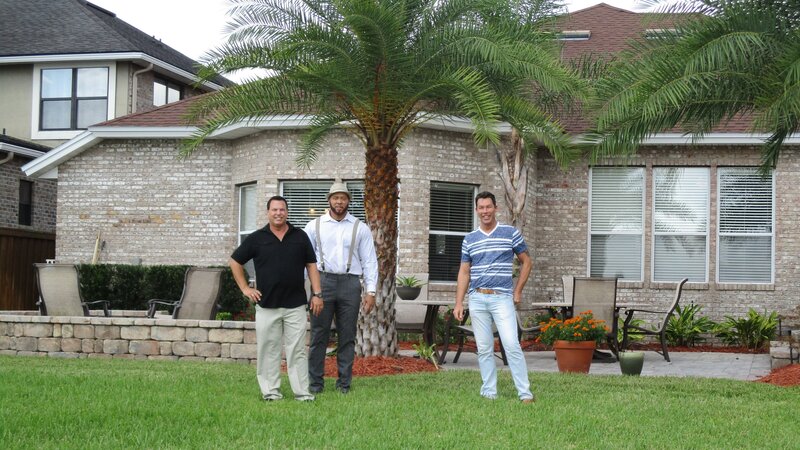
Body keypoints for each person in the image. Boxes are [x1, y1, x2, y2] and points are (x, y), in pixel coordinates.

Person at [229, 195, 323, 402]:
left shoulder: (300, 236)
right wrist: (245, 288)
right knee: (268, 350)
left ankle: (303, 393)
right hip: (267, 306)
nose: (278, 213)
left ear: (287, 212)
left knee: (297, 351)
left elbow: (312, 266)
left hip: (296, 306)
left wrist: (317, 294)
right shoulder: (257, 238)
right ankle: (271, 392)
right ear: (268, 212)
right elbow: (235, 261)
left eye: (282, 209)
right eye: (274, 210)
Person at [454, 191, 535, 403]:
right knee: (484, 348)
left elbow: (527, 262)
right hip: (477, 299)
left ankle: (525, 393)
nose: (485, 211)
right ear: (476, 210)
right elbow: (464, 272)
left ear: (495, 208)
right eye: (481, 208)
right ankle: (489, 392)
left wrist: (517, 291)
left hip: (502, 298)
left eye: (488, 207)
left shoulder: (510, 233)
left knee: (511, 344)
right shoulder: (470, 239)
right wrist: (458, 302)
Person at [304, 178, 378, 394]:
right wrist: (304, 289)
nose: (339, 202)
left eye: (343, 198)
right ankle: (316, 383)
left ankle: (343, 384)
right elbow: (306, 259)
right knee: (319, 335)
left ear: (348, 201)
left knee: (347, 335)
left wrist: (370, 291)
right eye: (335, 198)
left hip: (350, 284)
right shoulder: (314, 225)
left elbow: (369, 261)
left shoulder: (359, 227)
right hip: (322, 282)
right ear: (329, 200)